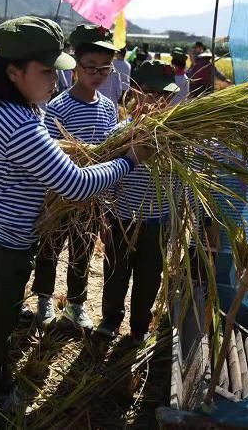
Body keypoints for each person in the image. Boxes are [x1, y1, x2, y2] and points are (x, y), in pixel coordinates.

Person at [0, 16, 151, 424]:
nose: (55, 82)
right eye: (46, 72)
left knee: (1, 324)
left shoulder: (24, 109)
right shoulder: (16, 121)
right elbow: (75, 185)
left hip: (7, 240)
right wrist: (128, 160)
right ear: (13, 72)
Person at [32, 24, 120, 332]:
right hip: (59, 194)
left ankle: (76, 304)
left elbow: (110, 153)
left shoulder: (109, 108)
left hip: (92, 195)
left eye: (105, 69)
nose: (97, 74)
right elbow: (49, 153)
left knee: (82, 252)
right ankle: (43, 299)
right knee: (50, 248)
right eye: (91, 67)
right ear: (75, 66)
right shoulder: (57, 107)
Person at [98, 60, 180, 344]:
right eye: (153, 93)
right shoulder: (121, 132)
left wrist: (177, 220)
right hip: (122, 218)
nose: (159, 101)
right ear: (136, 91)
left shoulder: (177, 138)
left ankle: (139, 329)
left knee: (148, 279)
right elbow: (107, 179)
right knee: (116, 274)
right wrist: (104, 217)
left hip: (158, 224)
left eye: (166, 96)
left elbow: (181, 185)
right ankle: (110, 321)